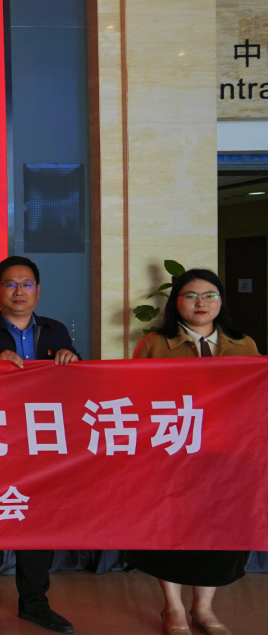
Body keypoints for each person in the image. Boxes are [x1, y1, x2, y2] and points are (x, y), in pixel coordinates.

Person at [125, 269, 254, 635]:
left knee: (218, 529)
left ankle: (204, 608)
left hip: (227, 452)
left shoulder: (243, 343)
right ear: (176, 302)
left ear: (221, 301)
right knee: (171, 529)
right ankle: (174, 608)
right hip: (171, 451)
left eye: (210, 295)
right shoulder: (153, 343)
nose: (201, 303)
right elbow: (133, 396)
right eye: (191, 295)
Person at [0, 256, 77, 635]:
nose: (19, 291)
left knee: (38, 524)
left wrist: (73, 360)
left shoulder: (56, 331)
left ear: (38, 291)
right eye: (10, 284)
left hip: (41, 445)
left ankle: (35, 604)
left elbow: (76, 386)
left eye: (26, 284)